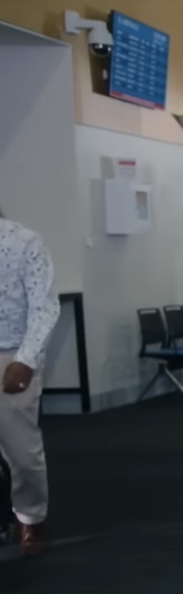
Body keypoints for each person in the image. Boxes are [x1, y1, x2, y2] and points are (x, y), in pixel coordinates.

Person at [0, 208, 59, 557]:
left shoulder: (24, 242)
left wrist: (25, 360)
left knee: (21, 452)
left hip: (11, 356)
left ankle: (31, 517)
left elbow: (44, 308)